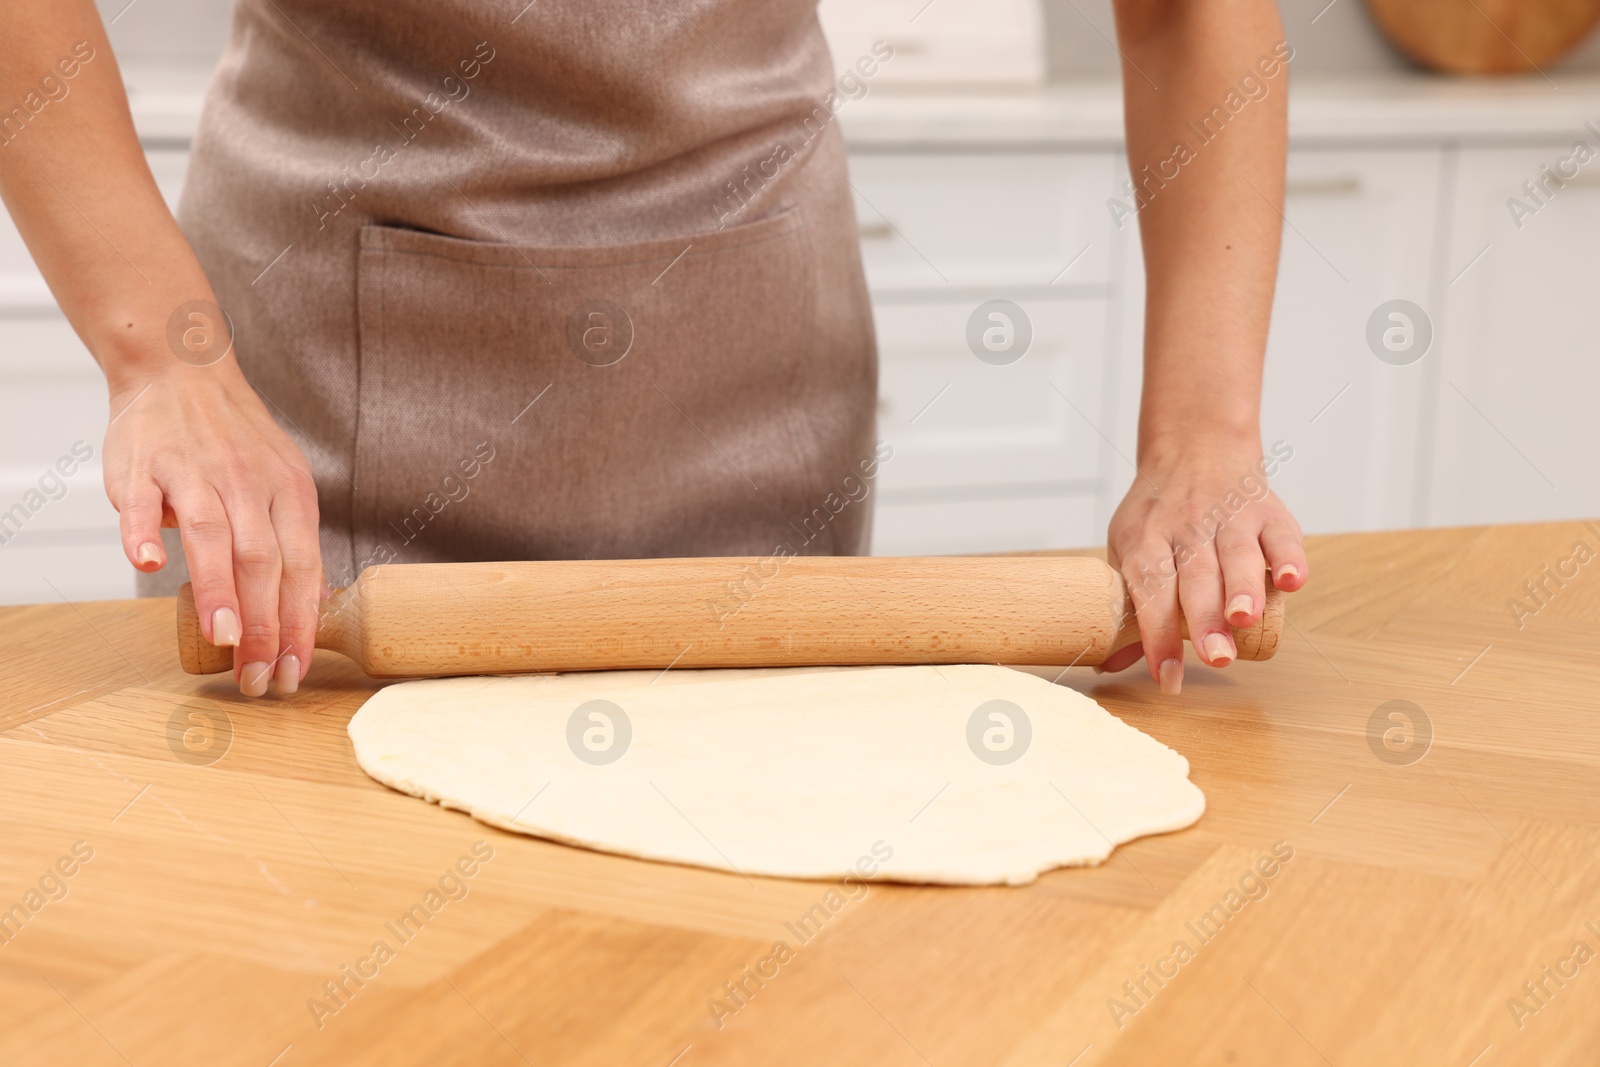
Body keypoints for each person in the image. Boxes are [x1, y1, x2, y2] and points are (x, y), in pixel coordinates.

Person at [0, 0, 1305, 698]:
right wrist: (163, 359)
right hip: (317, 419)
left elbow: (1190, 11)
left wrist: (1202, 434)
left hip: (750, 364)